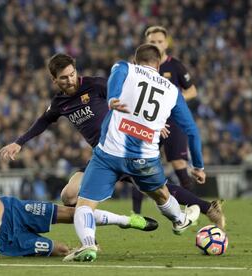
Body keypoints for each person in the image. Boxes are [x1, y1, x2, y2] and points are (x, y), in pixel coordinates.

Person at [0, 53, 225, 229]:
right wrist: (19, 142)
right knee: (69, 195)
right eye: (63, 78)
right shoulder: (59, 103)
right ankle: (101, 228)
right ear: (54, 79)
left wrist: (153, 121)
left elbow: (132, 98)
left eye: (71, 74)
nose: (69, 80)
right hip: (102, 156)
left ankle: (206, 208)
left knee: (159, 190)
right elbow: (43, 121)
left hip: (123, 147)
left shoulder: (95, 85)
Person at [63, 44, 205, 262]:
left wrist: (112, 99)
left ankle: (88, 245)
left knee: (85, 205)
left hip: (108, 154)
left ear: (136, 60)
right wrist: (198, 165)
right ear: (158, 64)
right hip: (145, 159)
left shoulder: (125, 68)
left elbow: (115, 79)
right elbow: (192, 131)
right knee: (162, 195)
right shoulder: (172, 91)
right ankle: (179, 219)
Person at [0, 163, 158, 260]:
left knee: (74, 212)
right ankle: (83, 249)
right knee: (62, 249)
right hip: (5, 243)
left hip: (11, 211)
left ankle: (127, 220)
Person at [131, 26, 225, 230]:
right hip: (148, 123)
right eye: (152, 41)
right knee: (138, 165)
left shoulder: (176, 67)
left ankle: (197, 206)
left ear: (166, 43)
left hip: (172, 123)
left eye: (159, 41)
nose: (155, 44)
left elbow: (192, 90)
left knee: (177, 164)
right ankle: (136, 213)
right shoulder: (136, 68)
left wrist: (174, 100)